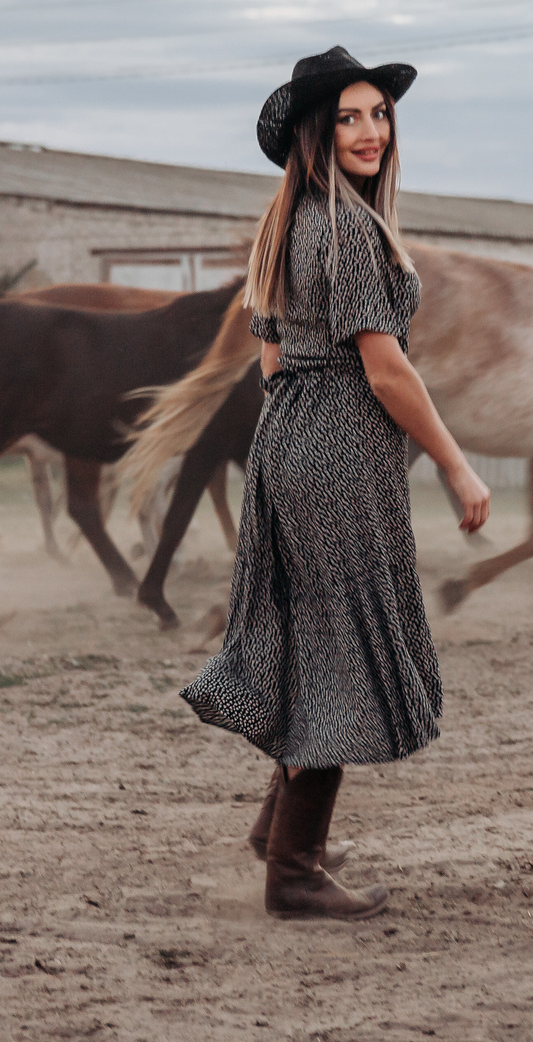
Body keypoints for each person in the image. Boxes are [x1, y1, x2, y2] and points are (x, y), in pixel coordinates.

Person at [182, 47, 492, 921]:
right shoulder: (349, 229)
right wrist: (455, 460)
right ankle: (293, 874)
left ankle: (278, 836)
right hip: (338, 453)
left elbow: (272, 358)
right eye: (349, 116)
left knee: (312, 638)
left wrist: (307, 422)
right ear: (318, 131)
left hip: (288, 438)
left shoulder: (289, 223)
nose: (369, 130)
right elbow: (387, 370)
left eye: (379, 114)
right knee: (338, 650)